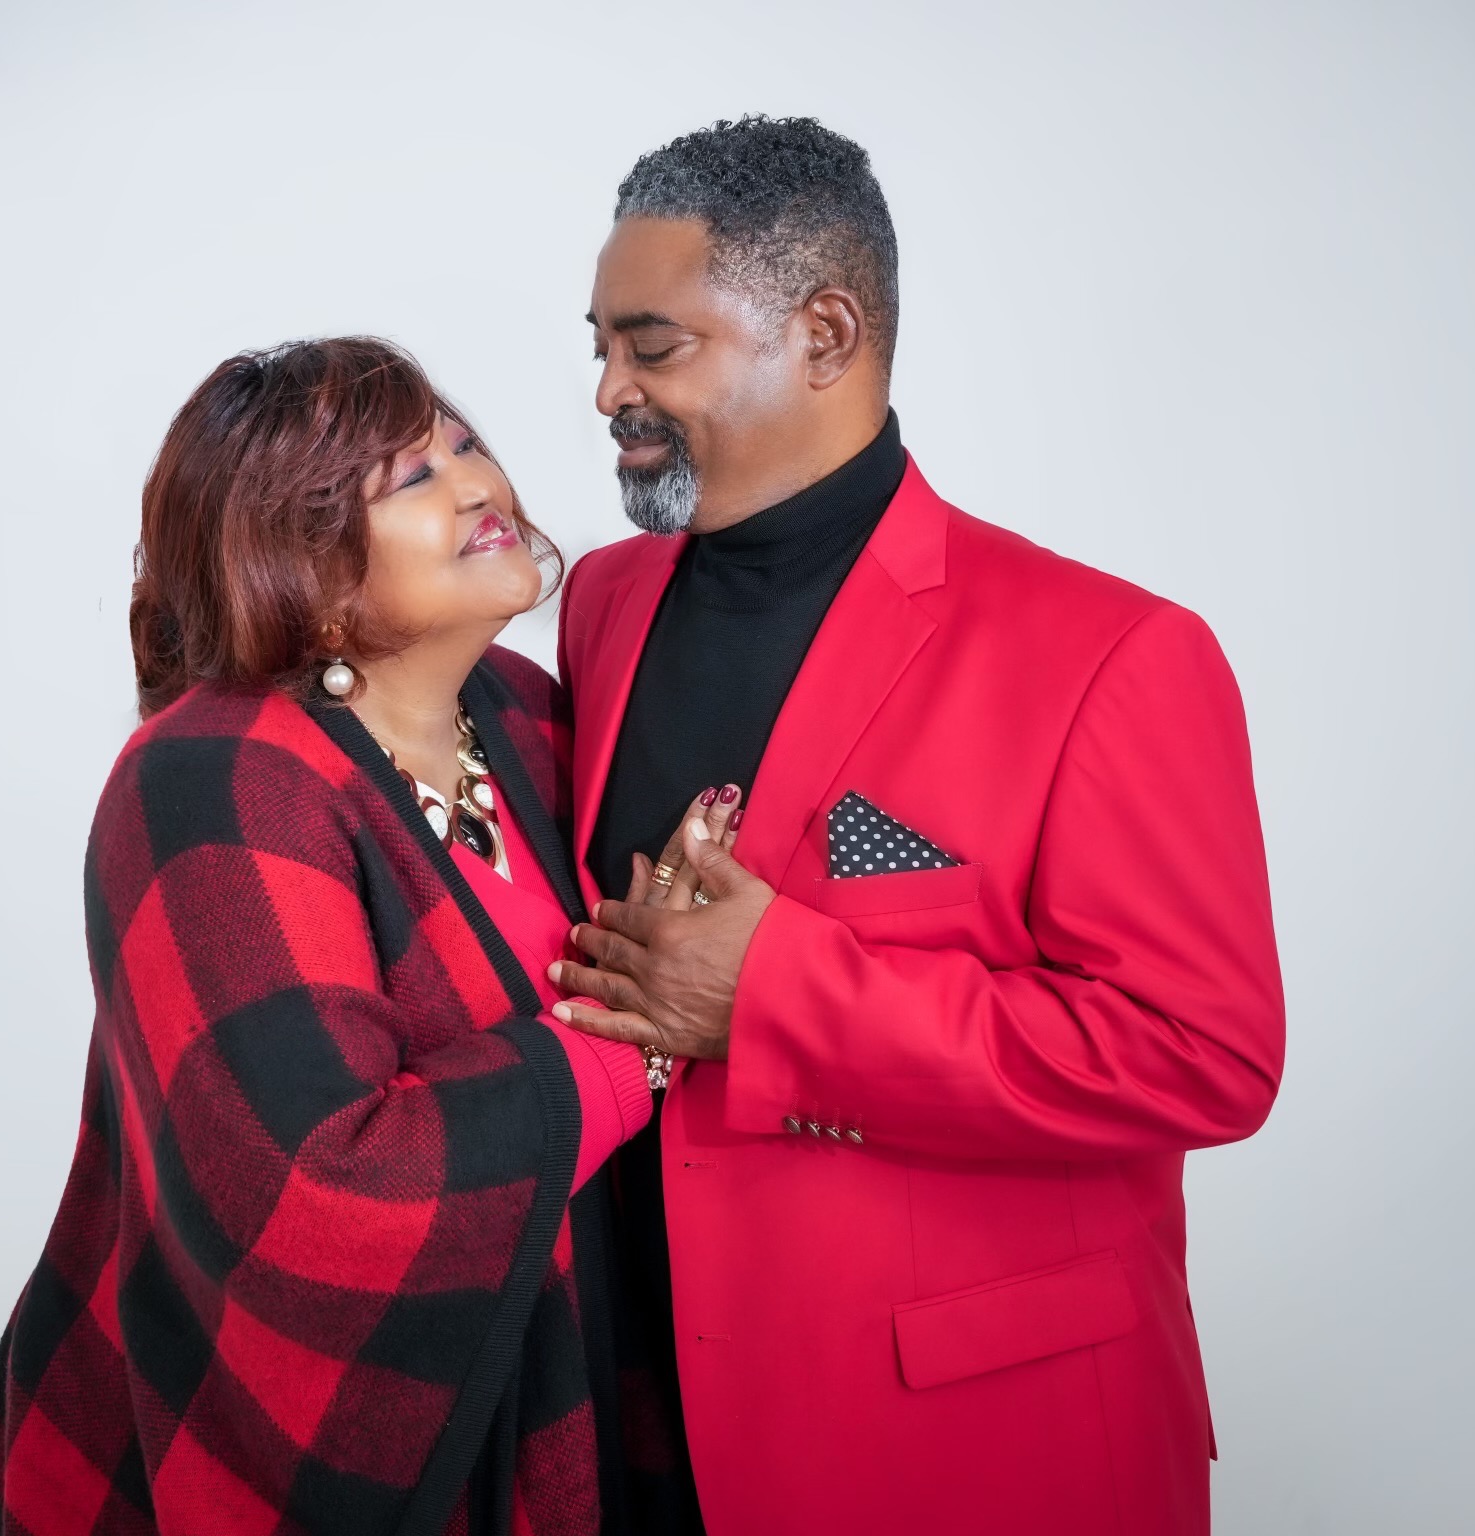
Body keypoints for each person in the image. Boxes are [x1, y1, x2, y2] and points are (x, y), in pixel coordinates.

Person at [551, 117, 1288, 1534]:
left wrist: (775, 996)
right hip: (638, 1422)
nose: (607, 390)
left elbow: (1205, 1057)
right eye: (600, 345)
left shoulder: (1113, 654)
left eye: (654, 347)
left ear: (825, 335)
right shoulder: (604, 603)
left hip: (969, 1446)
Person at [0, 337, 723, 1536]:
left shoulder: (523, 717)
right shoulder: (212, 780)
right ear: (300, 561)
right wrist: (636, 1042)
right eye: (412, 479)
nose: (478, 484)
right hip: (278, 1449)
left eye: (464, 444)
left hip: (553, 1380)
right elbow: (320, 1192)